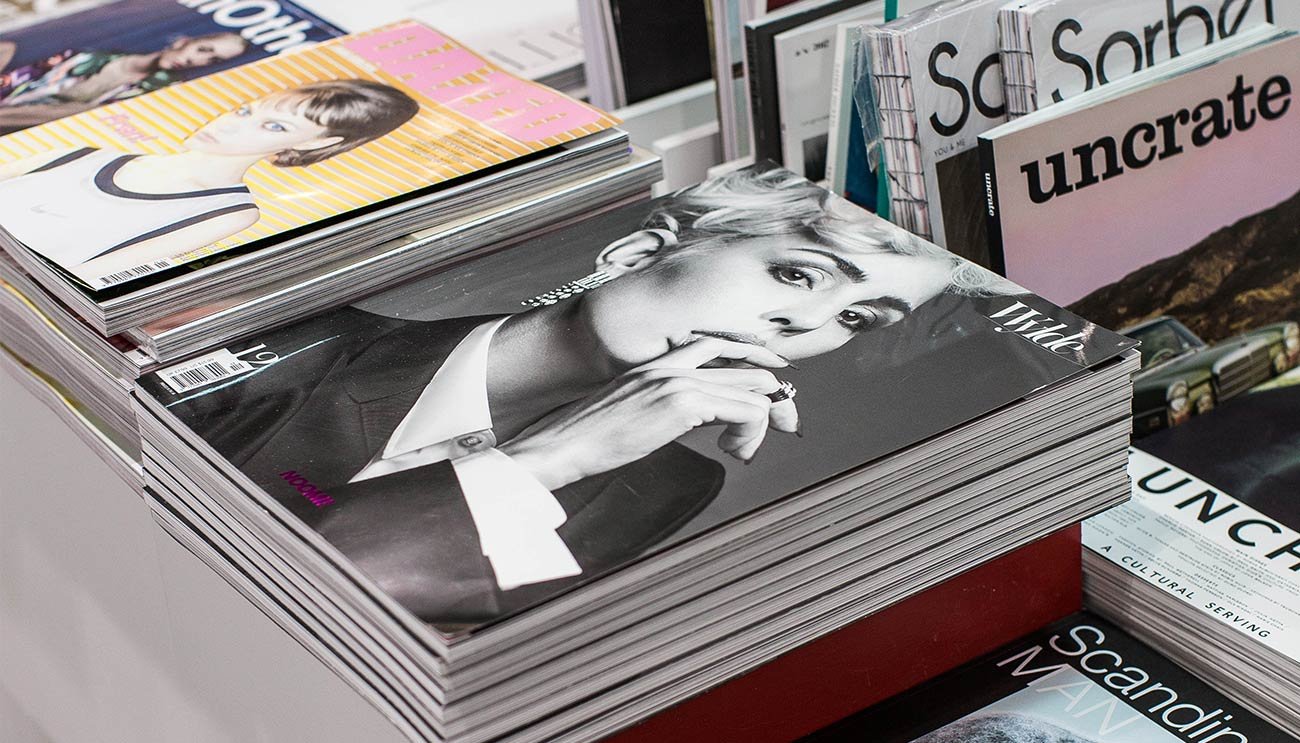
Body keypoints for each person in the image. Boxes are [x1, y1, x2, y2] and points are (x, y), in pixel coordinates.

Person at [160, 167, 1022, 627]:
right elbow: (243, 598)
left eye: (858, 318)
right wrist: (548, 458)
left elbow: (427, 640)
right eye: (798, 273)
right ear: (634, 254)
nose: (804, 323)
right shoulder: (304, 345)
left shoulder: (666, 485)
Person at [0, 79, 420, 282]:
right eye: (245, 111)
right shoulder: (83, 153)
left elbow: (78, 277)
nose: (229, 124)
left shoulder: (226, 213)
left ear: (319, 142)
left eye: (274, 127)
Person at [0, 32, 249, 133]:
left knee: (87, 111)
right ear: (184, 41)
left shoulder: (155, 93)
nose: (197, 60)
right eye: (203, 49)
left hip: (19, 124)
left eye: (212, 60)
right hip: (11, 91)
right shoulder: (98, 52)